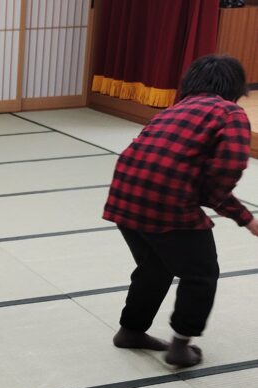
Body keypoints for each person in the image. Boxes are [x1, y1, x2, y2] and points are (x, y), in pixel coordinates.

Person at [103, 54, 258, 368]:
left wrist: (239, 215)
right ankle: (180, 347)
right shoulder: (230, 113)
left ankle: (131, 331)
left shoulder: (173, 110)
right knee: (201, 274)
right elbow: (223, 175)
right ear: (235, 87)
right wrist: (246, 218)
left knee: (155, 267)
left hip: (124, 198)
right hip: (166, 205)